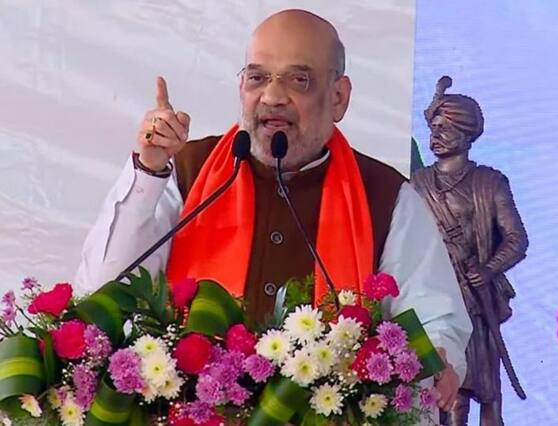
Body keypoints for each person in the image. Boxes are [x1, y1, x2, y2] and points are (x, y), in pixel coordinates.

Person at [76, 9, 472, 413]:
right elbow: (102, 292)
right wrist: (148, 170)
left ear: (338, 97)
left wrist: (439, 357)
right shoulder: (186, 170)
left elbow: (436, 319)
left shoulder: (384, 195)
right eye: (257, 77)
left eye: (299, 80)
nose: (272, 96)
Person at [412, 76, 529, 425]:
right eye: (434, 128)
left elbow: (516, 239)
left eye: (445, 128)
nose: (436, 135)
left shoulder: (489, 182)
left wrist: (489, 269)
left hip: (475, 304)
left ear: (466, 135)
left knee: (482, 391)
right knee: (441, 393)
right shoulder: (417, 184)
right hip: (433, 303)